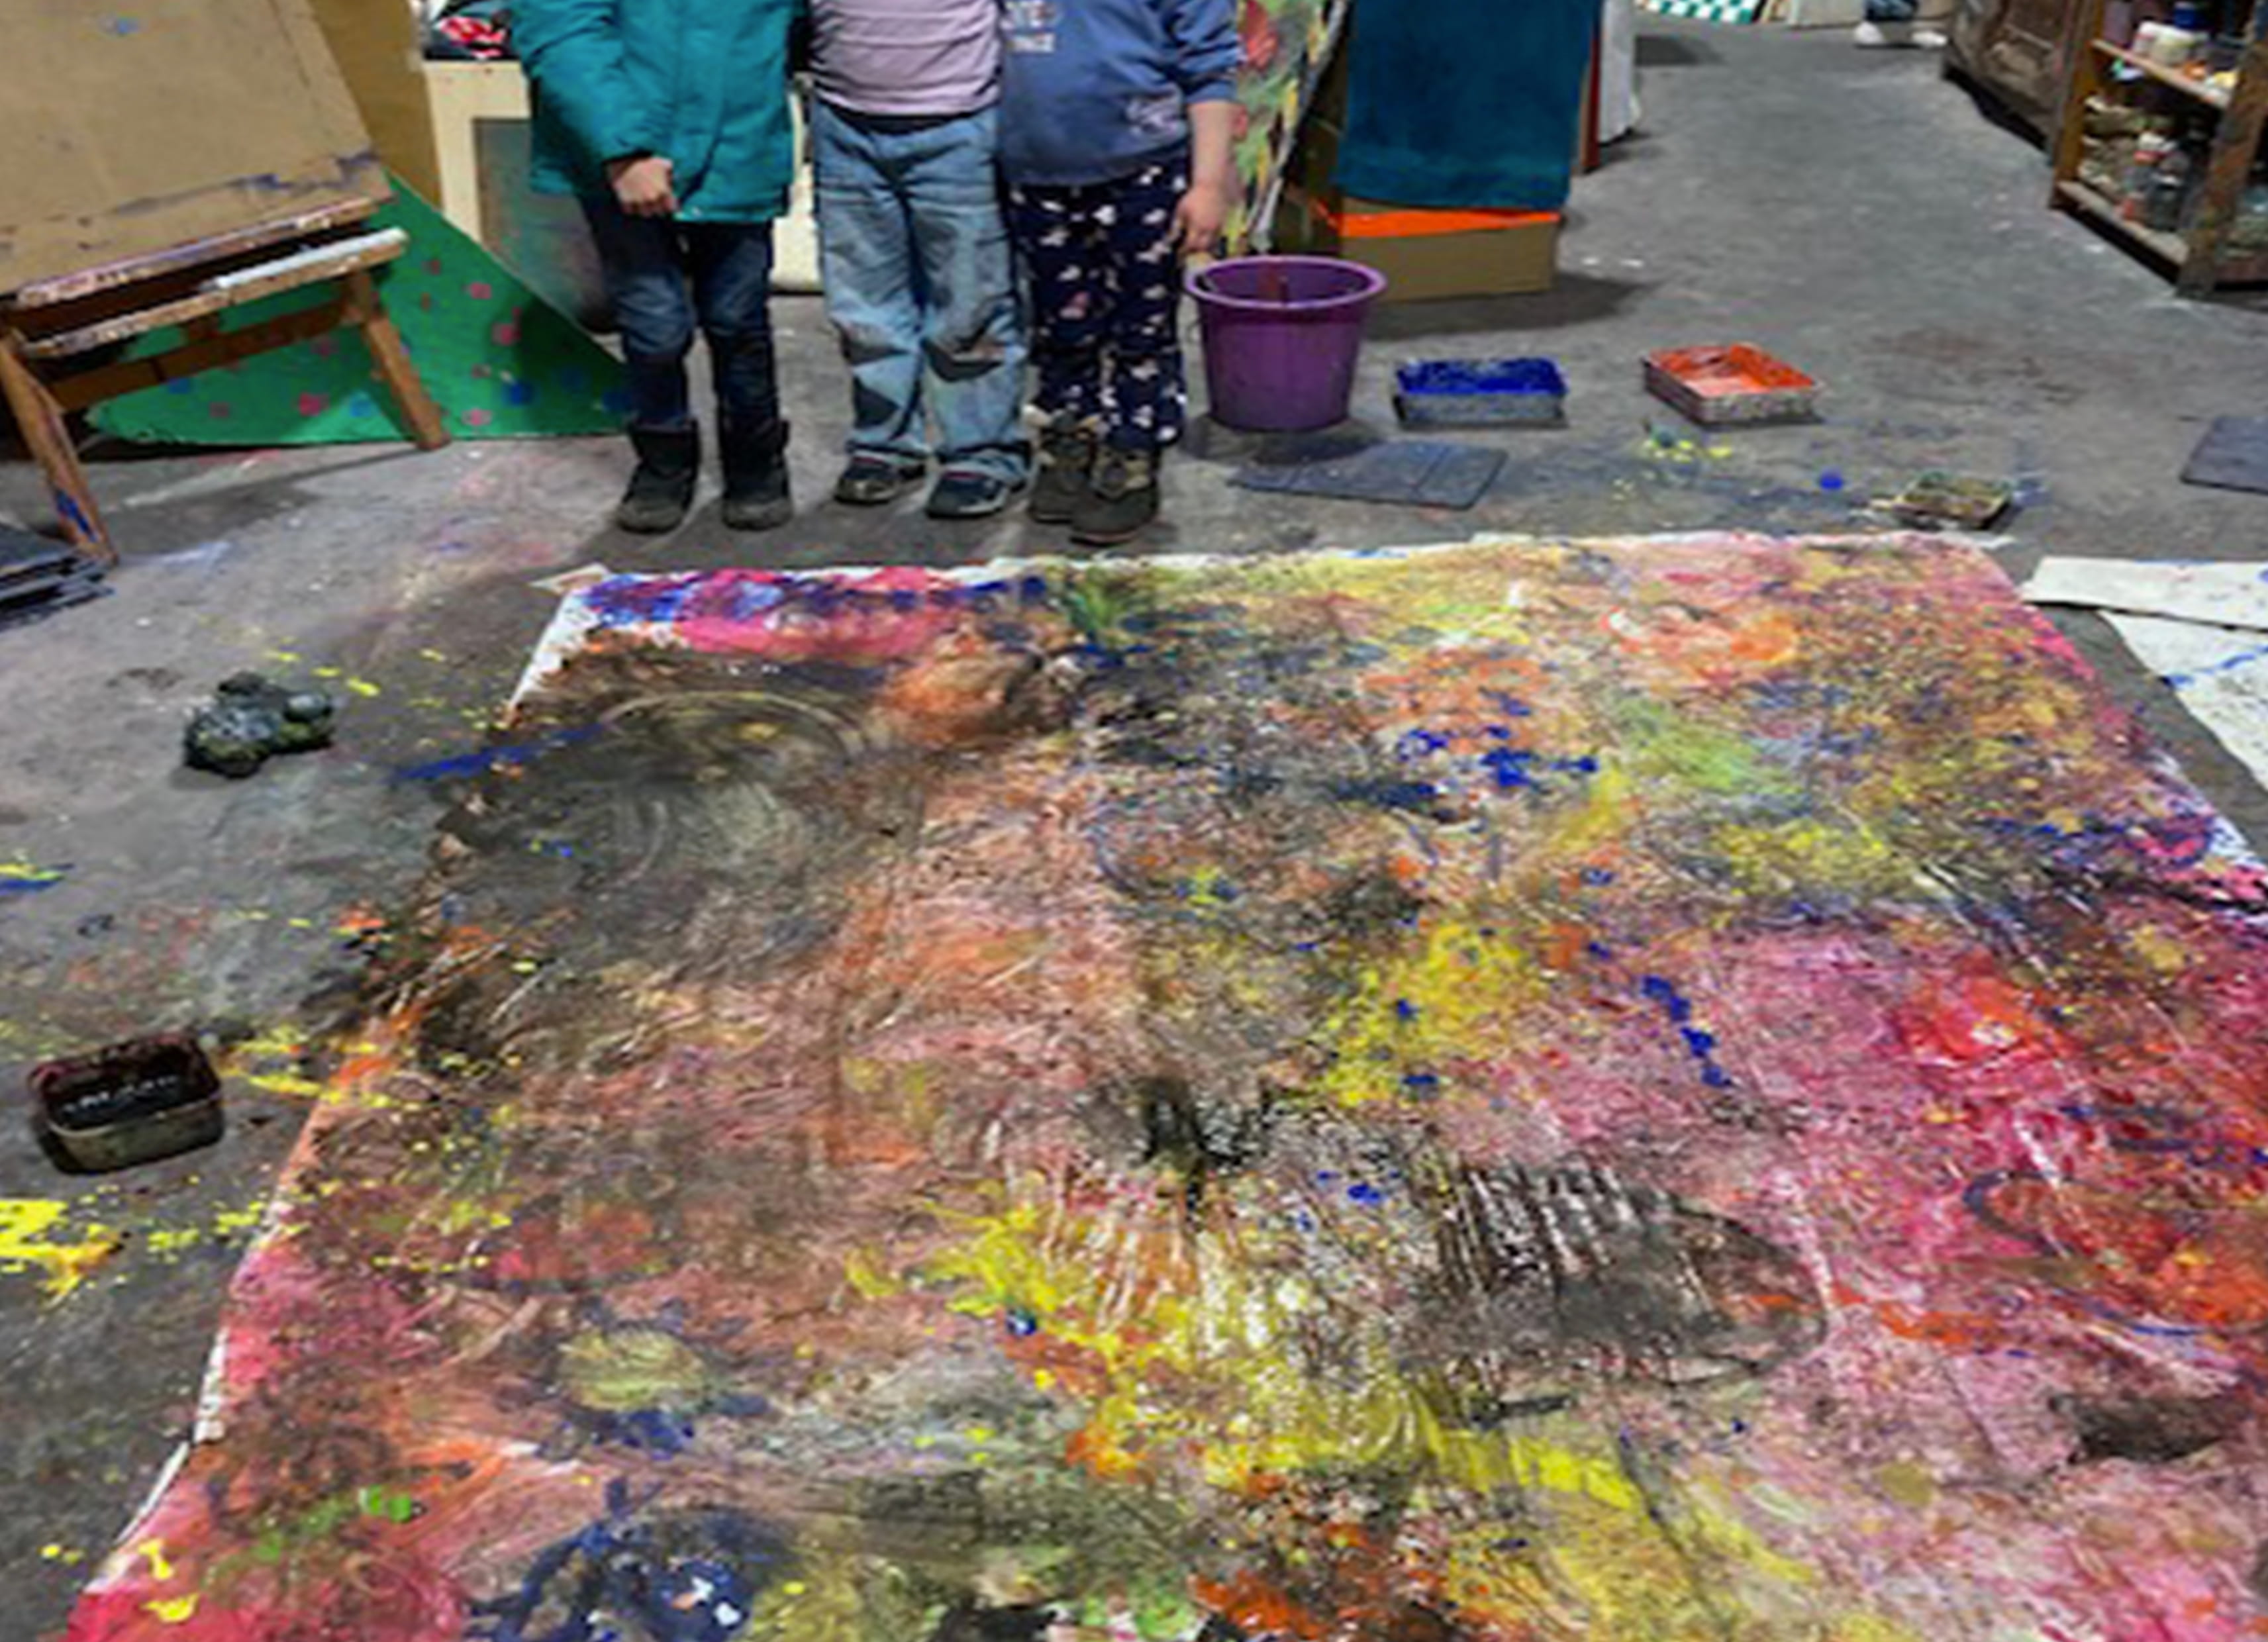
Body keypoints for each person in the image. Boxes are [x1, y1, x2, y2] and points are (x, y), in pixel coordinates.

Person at [516, 0, 800, 534]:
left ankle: (755, 457)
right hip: (620, 159)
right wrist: (622, 148)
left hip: (737, 145)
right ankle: (664, 459)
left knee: (738, 319)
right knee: (654, 323)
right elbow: (560, 30)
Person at [1001, 0, 1243, 545]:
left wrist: (1206, 185)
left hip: (1144, 173)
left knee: (1142, 328)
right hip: (1036, 176)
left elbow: (1210, 69)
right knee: (1060, 326)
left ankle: (1133, 453)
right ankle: (1071, 435)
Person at [809, 0, 1031, 519]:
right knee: (863, 303)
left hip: (961, 121)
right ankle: (882, 443)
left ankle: (982, 452)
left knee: (971, 302)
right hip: (844, 124)